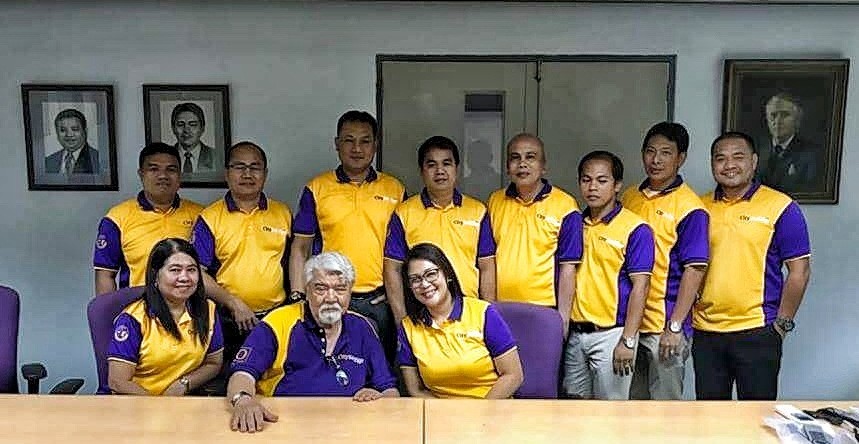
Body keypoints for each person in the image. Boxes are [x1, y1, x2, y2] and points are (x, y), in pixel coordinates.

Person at [694, 132, 811, 400]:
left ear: (754, 161)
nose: (729, 165)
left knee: (757, 418)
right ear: (712, 164)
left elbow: (799, 272)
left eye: (738, 157)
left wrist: (781, 325)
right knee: (710, 420)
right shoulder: (699, 208)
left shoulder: (780, 206)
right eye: (720, 158)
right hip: (706, 332)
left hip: (758, 332)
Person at [227, 252, 398, 433]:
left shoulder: (362, 327)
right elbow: (242, 374)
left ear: (350, 292)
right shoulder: (279, 321)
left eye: (340, 289)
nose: (331, 298)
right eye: (320, 288)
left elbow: (390, 390)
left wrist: (379, 398)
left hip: (350, 430)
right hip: (283, 428)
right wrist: (243, 400)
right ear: (307, 290)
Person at [289, 110, 405, 360]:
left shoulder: (395, 189)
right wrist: (299, 295)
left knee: (380, 373)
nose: (357, 148)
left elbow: (404, 249)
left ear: (375, 145)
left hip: (379, 302)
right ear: (336, 144)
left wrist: (396, 290)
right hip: (333, 299)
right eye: (349, 140)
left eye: (365, 141)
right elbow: (300, 248)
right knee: (333, 369)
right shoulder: (317, 188)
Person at [192, 141, 297, 377]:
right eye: (239, 167)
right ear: (227, 173)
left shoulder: (283, 213)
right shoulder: (209, 218)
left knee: (274, 382)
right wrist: (234, 303)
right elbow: (197, 272)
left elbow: (294, 263)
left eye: (255, 167)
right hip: (227, 320)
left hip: (275, 317)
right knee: (229, 384)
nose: (247, 174)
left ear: (265, 174)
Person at [621, 122, 709, 400]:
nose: (656, 160)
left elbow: (694, 270)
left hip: (664, 326)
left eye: (666, 153)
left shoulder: (690, 207)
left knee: (666, 411)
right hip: (629, 323)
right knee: (631, 408)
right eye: (650, 151)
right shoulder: (629, 197)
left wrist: (675, 327)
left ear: (680, 158)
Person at [563, 151, 654, 400]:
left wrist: (628, 340)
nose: (593, 187)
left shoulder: (635, 228)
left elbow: (641, 287)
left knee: (610, 416)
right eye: (586, 180)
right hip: (575, 334)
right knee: (573, 410)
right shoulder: (573, 223)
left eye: (602, 181)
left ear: (617, 185)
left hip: (612, 335)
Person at [384, 135, 496, 324]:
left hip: (468, 312)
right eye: (432, 165)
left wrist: (488, 316)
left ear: (457, 169)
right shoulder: (404, 212)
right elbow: (392, 269)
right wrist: (401, 319)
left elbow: (487, 268)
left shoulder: (478, 211)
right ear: (422, 171)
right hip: (421, 312)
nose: (440, 171)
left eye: (446, 163)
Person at [397, 243, 523, 399]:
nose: (424, 284)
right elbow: (416, 390)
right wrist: (448, 416)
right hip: (441, 415)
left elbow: (513, 375)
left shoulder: (483, 313)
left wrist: (478, 414)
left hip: (491, 409)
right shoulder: (408, 327)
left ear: (447, 274)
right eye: (415, 280)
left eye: (431, 274)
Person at [487, 133, 582, 333]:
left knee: (542, 365)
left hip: (544, 311)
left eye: (530, 157)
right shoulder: (495, 201)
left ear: (543, 166)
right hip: (502, 310)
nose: (522, 164)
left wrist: (563, 319)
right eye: (515, 158)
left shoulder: (565, 206)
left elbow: (568, 268)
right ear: (507, 167)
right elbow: (488, 262)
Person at [106, 238, 223, 395]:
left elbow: (214, 363)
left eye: (191, 270)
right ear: (155, 275)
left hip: (181, 403)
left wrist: (184, 384)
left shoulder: (208, 310)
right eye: (175, 270)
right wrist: (159, 406)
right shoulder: (133, 320)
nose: (184, 277)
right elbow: (118, 382)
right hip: (136, 404)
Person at [93, 142, 203, 295]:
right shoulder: (117, 218)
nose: (163, 175)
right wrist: (109, 315)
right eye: (154, 169)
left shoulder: (201, 216)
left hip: (190, 311)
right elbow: (105, 275)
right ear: (141, 174)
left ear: (180, 176)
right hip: (138, 311)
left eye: (171, 169)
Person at [758, 93, 822, 193]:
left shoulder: (811, 154)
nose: (778, 121)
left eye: (784, 115)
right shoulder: (756, 151)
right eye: (773, 115)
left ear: (797, 120)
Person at [45, 108, 100, 174]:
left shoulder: (98, 159)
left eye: (75, 129)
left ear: (85, 132)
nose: (69, 134)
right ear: (57, 133)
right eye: (63, 130)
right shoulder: (48, 161)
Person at [171, 102, 214, 174]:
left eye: (192, 125)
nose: (186, 130)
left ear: (202, 128)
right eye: (181, 124)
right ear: (173, 128)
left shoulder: (215, 156)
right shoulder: (166, 156)